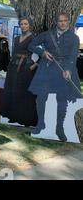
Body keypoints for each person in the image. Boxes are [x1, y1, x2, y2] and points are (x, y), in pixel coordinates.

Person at [28, 12, 81, 141]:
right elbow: (31, 45)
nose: (63, 23)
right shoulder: (47, 35)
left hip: (64, 70)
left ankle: (59, 128)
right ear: (56, 22)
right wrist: (43, 52)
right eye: (60, 21)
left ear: (68, 22)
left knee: (62, 100)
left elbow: (73, 55)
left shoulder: (74, 38)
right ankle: (41, 124)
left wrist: (68, 70)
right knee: (41, 98)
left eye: (65, 21)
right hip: (47, 70)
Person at [1, 17, 38, 126]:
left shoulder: (33, 38)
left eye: (26, 24)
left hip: (26, 69)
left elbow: (42, 55)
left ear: (29, 25)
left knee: (24, 93)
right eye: (21, 24)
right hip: (13, 68)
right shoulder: (16, 38)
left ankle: (25, 118)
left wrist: (34, 65)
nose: (23, 26)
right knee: (13, 91)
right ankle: (14, 116)